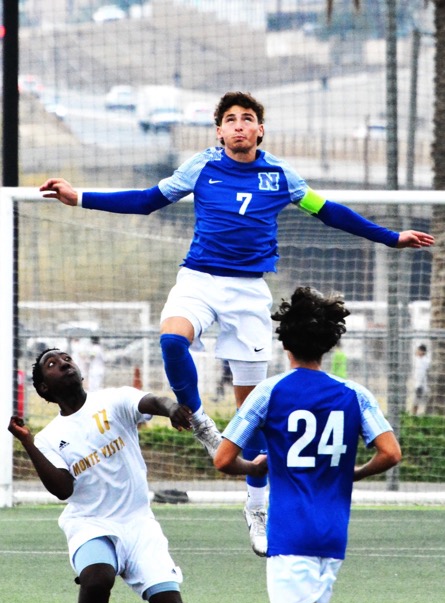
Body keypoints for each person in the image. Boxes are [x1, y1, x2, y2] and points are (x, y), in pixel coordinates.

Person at [39, 91, 432, 556]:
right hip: (199, 280)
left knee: (255, 421)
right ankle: (201, 420)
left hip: (248, 293)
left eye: (248, 119)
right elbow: (147, 200)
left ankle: (256, 505)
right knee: (171, 341)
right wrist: (78, 196)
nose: (240, 125)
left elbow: (330, 213)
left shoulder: (281, 177)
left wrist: (391, 238)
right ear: (220, 131)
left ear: (260, 130)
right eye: (231, 119)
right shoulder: (201, 167)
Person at [213, 286, 402, 603]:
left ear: (284, 345)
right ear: (328, 344)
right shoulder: (355, 394)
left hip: (291, 531)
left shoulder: (268, 391)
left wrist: (254, 468)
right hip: (332, 529)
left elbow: (223, 459)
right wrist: (354, 473)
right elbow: (391, 453)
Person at [8, 348, 205, 603]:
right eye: (52, 363)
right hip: (90, 523)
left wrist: (171, 408)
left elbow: (151, 401)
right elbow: (63, 489)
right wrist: (29, 443)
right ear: (44, 388)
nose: (63, 363)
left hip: (138, 523)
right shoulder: (49, 438)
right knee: (98, 578)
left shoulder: (113, 399)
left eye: (66, 358)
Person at [412, 343, 430, 415]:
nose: (417, 352)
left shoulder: (424, 361)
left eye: (418, 350)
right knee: (417, 401)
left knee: (417, 401)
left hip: (421, 385)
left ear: (422, 352)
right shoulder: (418, 360)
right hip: (418, 384)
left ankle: (414, 415)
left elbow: (421, 374)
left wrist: (419, 385)